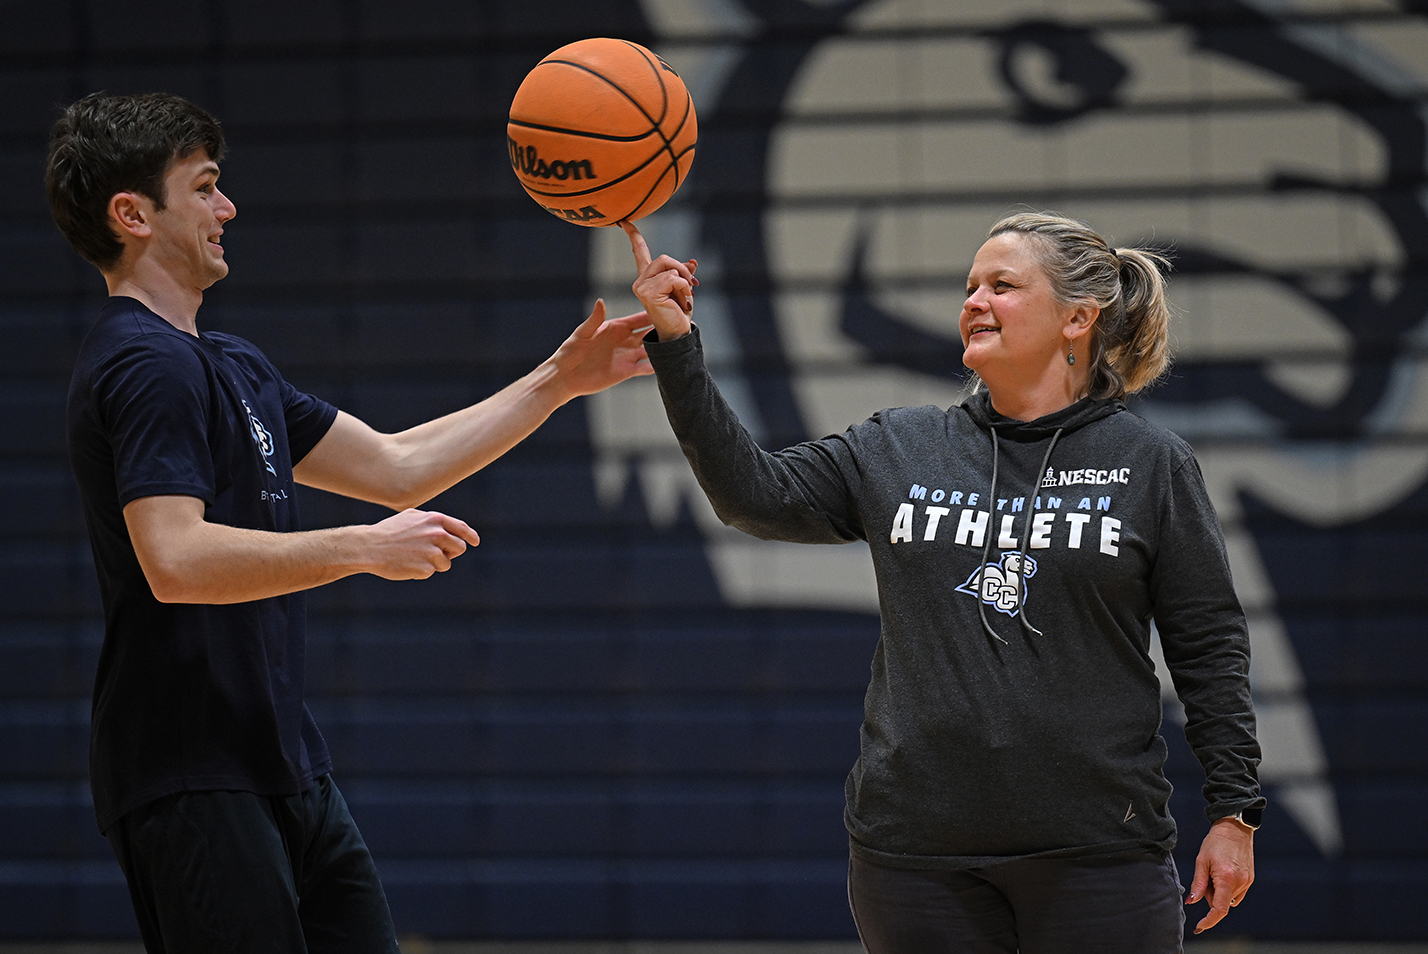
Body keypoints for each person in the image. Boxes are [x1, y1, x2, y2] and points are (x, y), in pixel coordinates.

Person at [47, 90, 654, 951]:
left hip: (285, 762)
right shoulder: (143, 365)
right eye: (206, 187)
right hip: (189, 771)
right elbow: (173, 558)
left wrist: (562, 378)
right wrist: (364, 548)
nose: (228, 208)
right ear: (131, 214)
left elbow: (398, 466)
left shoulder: (228, 362)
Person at [621, 211, 1263, 953]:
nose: (973, 301)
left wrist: (1234, 810)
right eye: (969, 286)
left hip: (1097, 851)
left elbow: (1209, 645)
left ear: (1077, 319)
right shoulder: (898, 445)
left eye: (1002, 285)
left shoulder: (1151, 464)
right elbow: (752, 495)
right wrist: (676, 344)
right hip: (915, 858)